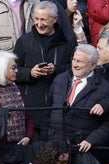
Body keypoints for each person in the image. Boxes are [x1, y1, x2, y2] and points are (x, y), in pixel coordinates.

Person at [13, 1, 77, 141]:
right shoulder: (24, 41)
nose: (39, 23)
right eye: (36, 19)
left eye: (43, 19)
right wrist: (30, 73)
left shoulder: (68, 41)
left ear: (54, 19)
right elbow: (13, 71)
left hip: (58, 106)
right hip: (31, 107)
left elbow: (76, 69)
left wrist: (56, 69)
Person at [48, 44, 109, 161]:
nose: (74, 64)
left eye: (79, 61)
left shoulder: (105, 88)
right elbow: (47, 112)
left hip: (81, 151)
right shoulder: (60, 80)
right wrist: (46, 139)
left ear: (92, 65)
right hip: (54, 148)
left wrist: (92, 140)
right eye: (74, 60)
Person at [0, 0, 76, 75]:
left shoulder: (33, 2)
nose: (39, 24)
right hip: (0, 70)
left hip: (29, 69)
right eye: (36, 19)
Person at [0, 51, 34, 146]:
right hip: (3, 149)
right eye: (13, 68)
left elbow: (27, 116)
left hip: (22, 145)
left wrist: (28, 136)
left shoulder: (16, 87)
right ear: (1, 69)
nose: (16, 70)